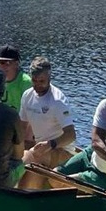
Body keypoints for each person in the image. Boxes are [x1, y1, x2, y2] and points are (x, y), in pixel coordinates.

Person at [16, 56, 76, 189]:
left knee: (30, 155)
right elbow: (21, 128)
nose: (37, 85)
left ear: (49, 77)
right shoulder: (27, 95)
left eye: (42, 81)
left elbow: (71, 135)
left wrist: (51, 144)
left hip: (62, 151)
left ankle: (6, 184)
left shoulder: (57, 101)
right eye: (34, 80)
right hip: (40, 149)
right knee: (31, 168)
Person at [0, 45, 32, 112]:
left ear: (16, 64)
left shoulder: (26, 83)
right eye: (1, 62)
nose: (3, 66)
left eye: (7, 63)